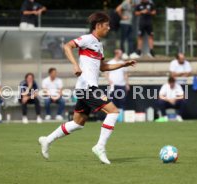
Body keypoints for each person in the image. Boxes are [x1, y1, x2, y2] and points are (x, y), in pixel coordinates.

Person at [38, 12, 136, 165]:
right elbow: (67, 46)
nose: (109, 28)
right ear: (98, 26)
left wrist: (123, 64)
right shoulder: (87, 39)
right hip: (87, 88)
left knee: (78, 123)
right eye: (106, 25)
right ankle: (100, 147)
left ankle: (47, 140)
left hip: (84, 88)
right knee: (114, 112)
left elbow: (103, 67)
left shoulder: (98, 45)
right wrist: (75, 64)